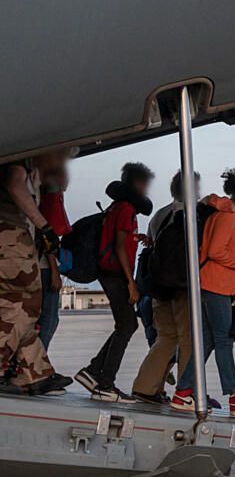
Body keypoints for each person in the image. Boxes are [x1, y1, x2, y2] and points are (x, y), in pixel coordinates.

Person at [169, 170, 235, 416]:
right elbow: (216, 251)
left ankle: (182, 393)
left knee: (207, 341)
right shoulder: (229, 217)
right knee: (224, 340)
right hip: (214, 284)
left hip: (214, 284)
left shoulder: (226, 214)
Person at [76, 162, 154, 402]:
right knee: (127, 325)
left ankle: (94, 372)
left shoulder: (116, 207)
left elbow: (119, 239)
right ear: (138, 184)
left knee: (127, 325)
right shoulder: (126, 209)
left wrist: (136, 237)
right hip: (115, 274)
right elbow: (119, 246)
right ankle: (104, 382)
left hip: (109, 271)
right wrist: (131, 282)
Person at [0, 152, 71, 396]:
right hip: (10, 237)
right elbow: (14, 185)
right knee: (25, 304)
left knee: (22, 308)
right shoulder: (21, 154)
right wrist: (45, 226)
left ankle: (34, 372)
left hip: (10, 238)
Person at [129, 171, 201, 403]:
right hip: (183, 285)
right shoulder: (192, 213)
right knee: (189, 339)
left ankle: (144, 387)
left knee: (166, 337)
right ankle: (186, 391)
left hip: (159, 285)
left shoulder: (159, 215)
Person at [36, 162, 71, 348]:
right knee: (49, 319)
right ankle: (38, 364)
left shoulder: (39, 194)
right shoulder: (51, 197)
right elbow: (47, 235)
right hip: (44, 265)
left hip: (39, 263)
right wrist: (54, 271)